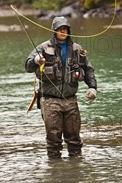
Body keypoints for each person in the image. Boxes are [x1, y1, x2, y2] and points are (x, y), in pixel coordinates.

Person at [25, 16, 97, 159]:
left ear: (69, 30)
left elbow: (88, 69)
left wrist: (93, 87)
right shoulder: (43, 48)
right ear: (54, 31)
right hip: (50, 101)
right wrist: (36, 60)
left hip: (71, 101)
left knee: (74, 140)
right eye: (60, 29)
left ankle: (75, 171)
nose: (63, 31)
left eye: (65, 29)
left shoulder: (77, 49)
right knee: (53, 141)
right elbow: (27, 66)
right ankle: (55, 173)